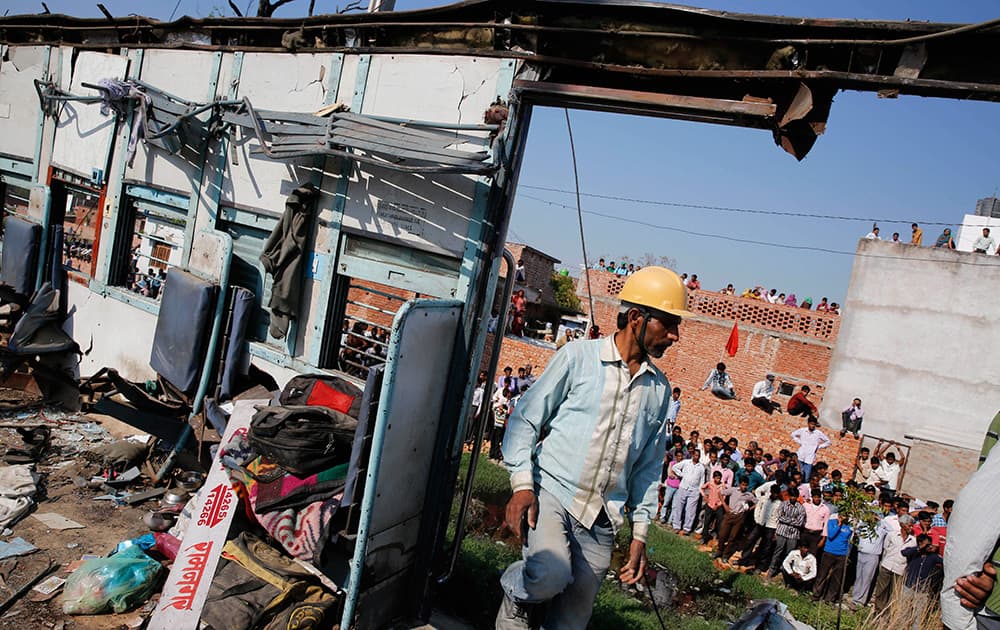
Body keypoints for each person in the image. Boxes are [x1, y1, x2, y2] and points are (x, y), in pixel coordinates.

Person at [496, 266, 687, 629]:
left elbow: (647, 466)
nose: (675, 336)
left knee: (573, 617)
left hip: (601, 514)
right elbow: (526, 419)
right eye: (668, 323)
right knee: (549, 575)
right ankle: (516, 591)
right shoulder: (577, 358)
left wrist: (640, 532)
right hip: (552, 494)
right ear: (636, 317)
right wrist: (522, 486)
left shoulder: (659, 390)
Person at [873, 513, 916, 610]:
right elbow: (886, 548)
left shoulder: (913, 541)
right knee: (881, 591)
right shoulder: (892, 535)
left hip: (899, 570)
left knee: (893, 593)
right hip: (887, 566)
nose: (911, 527)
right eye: (909, 525)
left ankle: (889, 613)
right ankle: (878, 611)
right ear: (902, 524)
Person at [812, 514, 853, 603]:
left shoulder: (850, 526)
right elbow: (831, 535)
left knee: (837, 578)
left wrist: (847, 554)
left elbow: (850, 541)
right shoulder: (831, 522)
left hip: (842, 554)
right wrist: (839, 524)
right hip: (829, 552)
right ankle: (816, 595)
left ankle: (830, 599)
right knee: (822, 575)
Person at [767, 487, 806, 578]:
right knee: (778, 551)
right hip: (782, 532)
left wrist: (786, 520)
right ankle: (772, 569)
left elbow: (799, 522)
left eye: (794, 496)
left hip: (793, 534)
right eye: (791, 496)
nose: (793, 498)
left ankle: (785, 571)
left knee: (789, 554)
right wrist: (792, 520)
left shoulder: (801, 508)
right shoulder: (783, 504)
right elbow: (780, 516)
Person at [716, 478, 756, 563]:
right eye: (742, 485)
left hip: (739, 517)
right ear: (739, 484)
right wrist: (725, 505)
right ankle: (719, 550)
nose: (744, 487)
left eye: (745, 485)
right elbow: (720, 492)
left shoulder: (748, 495)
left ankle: (726, 555)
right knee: (722, 534)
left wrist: (749, 509)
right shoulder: (733, 490)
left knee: (732, 537)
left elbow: (757, 502)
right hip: (729, 515)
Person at [850, 516, 887, 607]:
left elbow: (891, 529)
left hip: (872, 556)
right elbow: (854, 527)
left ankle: (861, 601)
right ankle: (855, 597)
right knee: (859, 577)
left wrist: (880, 520)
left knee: (867, 578)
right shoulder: (864, 526)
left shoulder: (881, 529)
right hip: (861, 553)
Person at [671, 449, 707, 535]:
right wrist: (681, 475)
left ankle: (687, 528)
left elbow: (702, 480)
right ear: (692, 455)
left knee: (690, 511)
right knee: (678, 507)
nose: (696, 457)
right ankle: (676, 526)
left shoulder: (701, 467)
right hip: (683, 487)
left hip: (694, 491)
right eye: (695, 455)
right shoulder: (686, 462)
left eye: (698, 455)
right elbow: (674, 467)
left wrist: (699, 491)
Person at [791, 417, 831, 481]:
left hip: (810, 458)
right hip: (800, 455)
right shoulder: (803, 430)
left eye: (814, 424)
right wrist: (800, 442)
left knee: (806, 477)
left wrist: (819, 446)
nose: (812, 426)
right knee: (798, 475)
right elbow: (793, 435)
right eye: (811, 424)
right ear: (808, 423)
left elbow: (828, 442)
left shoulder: (818, 433)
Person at [801, 489, 830, 556]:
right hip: (805, 532)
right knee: (802, 552)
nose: (817, 499)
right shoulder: (806, 505)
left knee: (812, 555)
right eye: (815, 497)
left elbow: (826, 525)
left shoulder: (825, 509)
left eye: (818, 497)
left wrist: (823, 538)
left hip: (816, 535)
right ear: (812, 497)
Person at [700, 470, 726, 545]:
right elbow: (701, 488)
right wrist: (704, 496)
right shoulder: (710, 483)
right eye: (717, 478)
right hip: (710, 505)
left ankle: (718, 538)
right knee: (707, 522)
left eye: (719, 478)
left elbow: (724, 496)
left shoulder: (722, 485)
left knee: (719, 522)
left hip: (719, 506)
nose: (718, 480)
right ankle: (704, 538)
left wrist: (719, 504)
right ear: (713, 478)